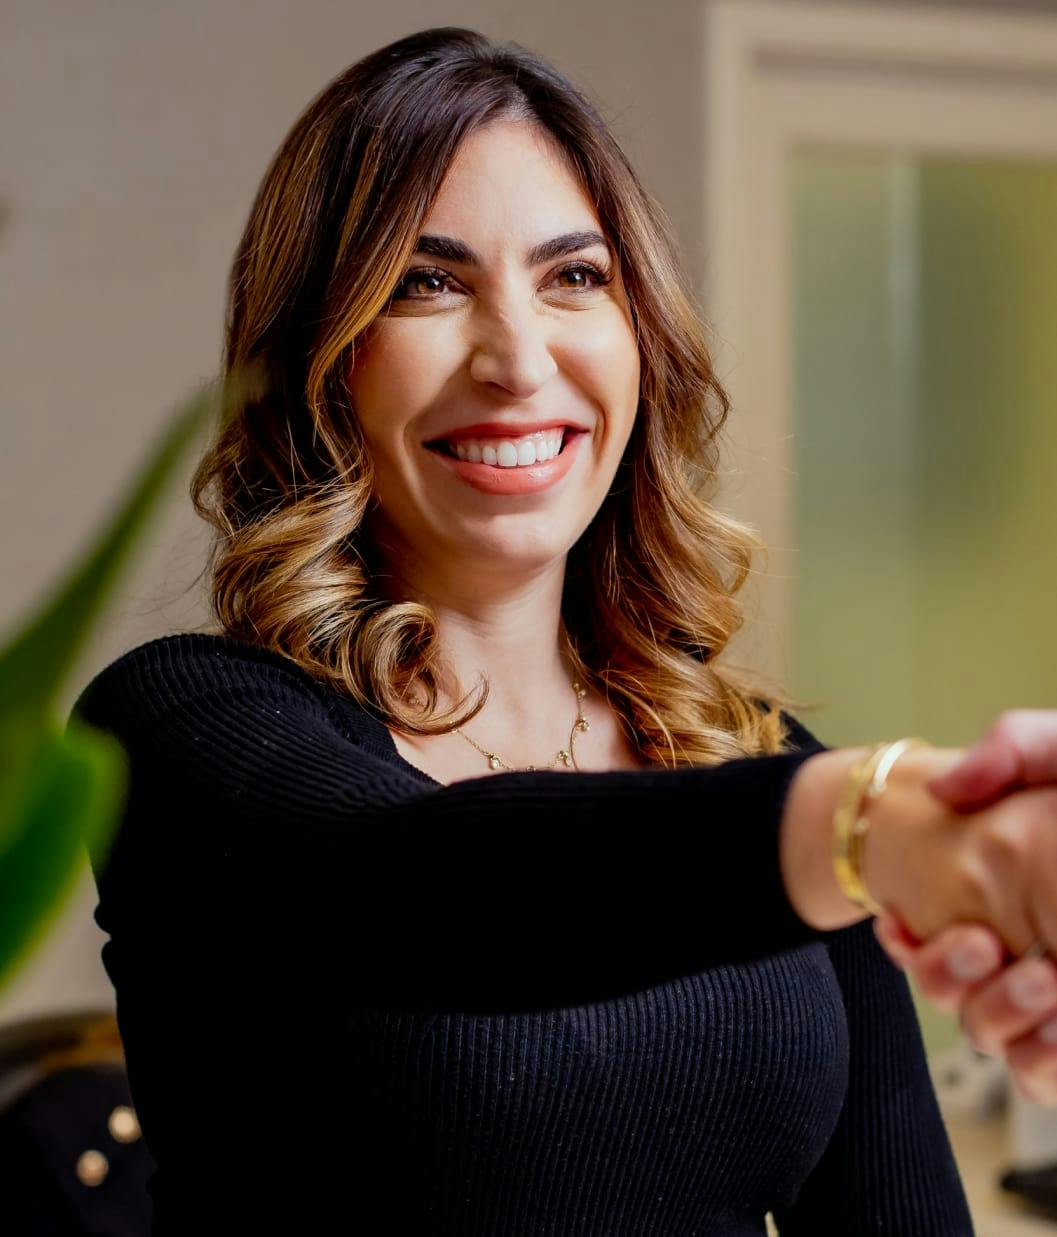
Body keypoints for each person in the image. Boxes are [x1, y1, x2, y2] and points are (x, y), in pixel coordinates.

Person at [67, 27, 1057, 1236]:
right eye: (427, 283)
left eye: (574, 277)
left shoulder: (755, 759)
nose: (518, 359)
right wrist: (876, 824)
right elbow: (431, 887)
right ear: (320, 363)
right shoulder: (176, 730)